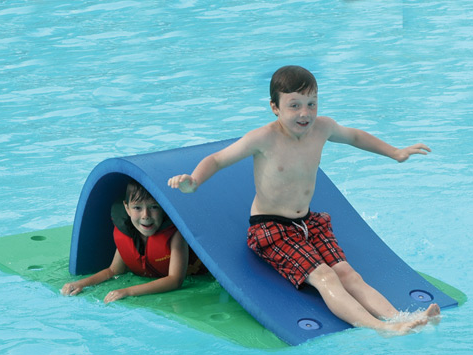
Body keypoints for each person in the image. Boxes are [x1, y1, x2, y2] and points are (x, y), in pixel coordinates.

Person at [168, 65, 440, 334]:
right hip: (271, 229)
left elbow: (355, 136)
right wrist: (194, 180)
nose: (305, 113)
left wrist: (394, 152)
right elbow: (217, 159)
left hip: (308, 223)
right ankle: (381, 327)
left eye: (312, 104)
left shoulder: (322, 128)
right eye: (294, 105)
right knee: (325, 276)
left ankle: (400, 317)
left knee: (349, 274)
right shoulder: (262, 138)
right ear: (275, 107)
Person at [62, 179, 204, 303]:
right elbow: (113, 270)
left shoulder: (176, 235)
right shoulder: (127, 232)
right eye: (137, 208)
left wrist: (128, 291)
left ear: (163, 208)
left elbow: (175, 280)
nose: (145, 215)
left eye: (154, 207)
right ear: (127, 208)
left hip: (198, 277)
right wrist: (82, 283)